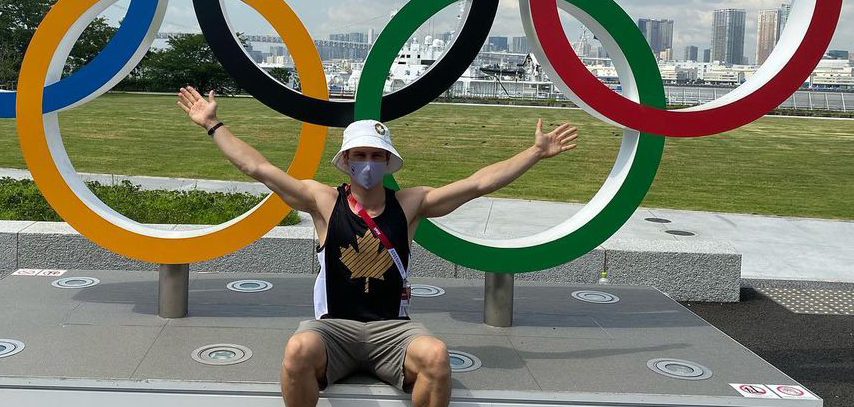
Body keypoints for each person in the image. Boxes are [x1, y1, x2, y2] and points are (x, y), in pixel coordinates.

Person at [176, 85, 578, 407]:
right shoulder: (323, 201)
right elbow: (258, 168)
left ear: (388, 161)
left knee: (436, 357)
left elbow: (477, 184)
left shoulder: (410, 204)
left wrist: (535, 153)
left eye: (376, 155)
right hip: (333, 328)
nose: (368, 162)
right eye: (360, 154)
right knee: (297, 349)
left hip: (393, 330)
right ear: (346, 160)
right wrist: (213, 125)